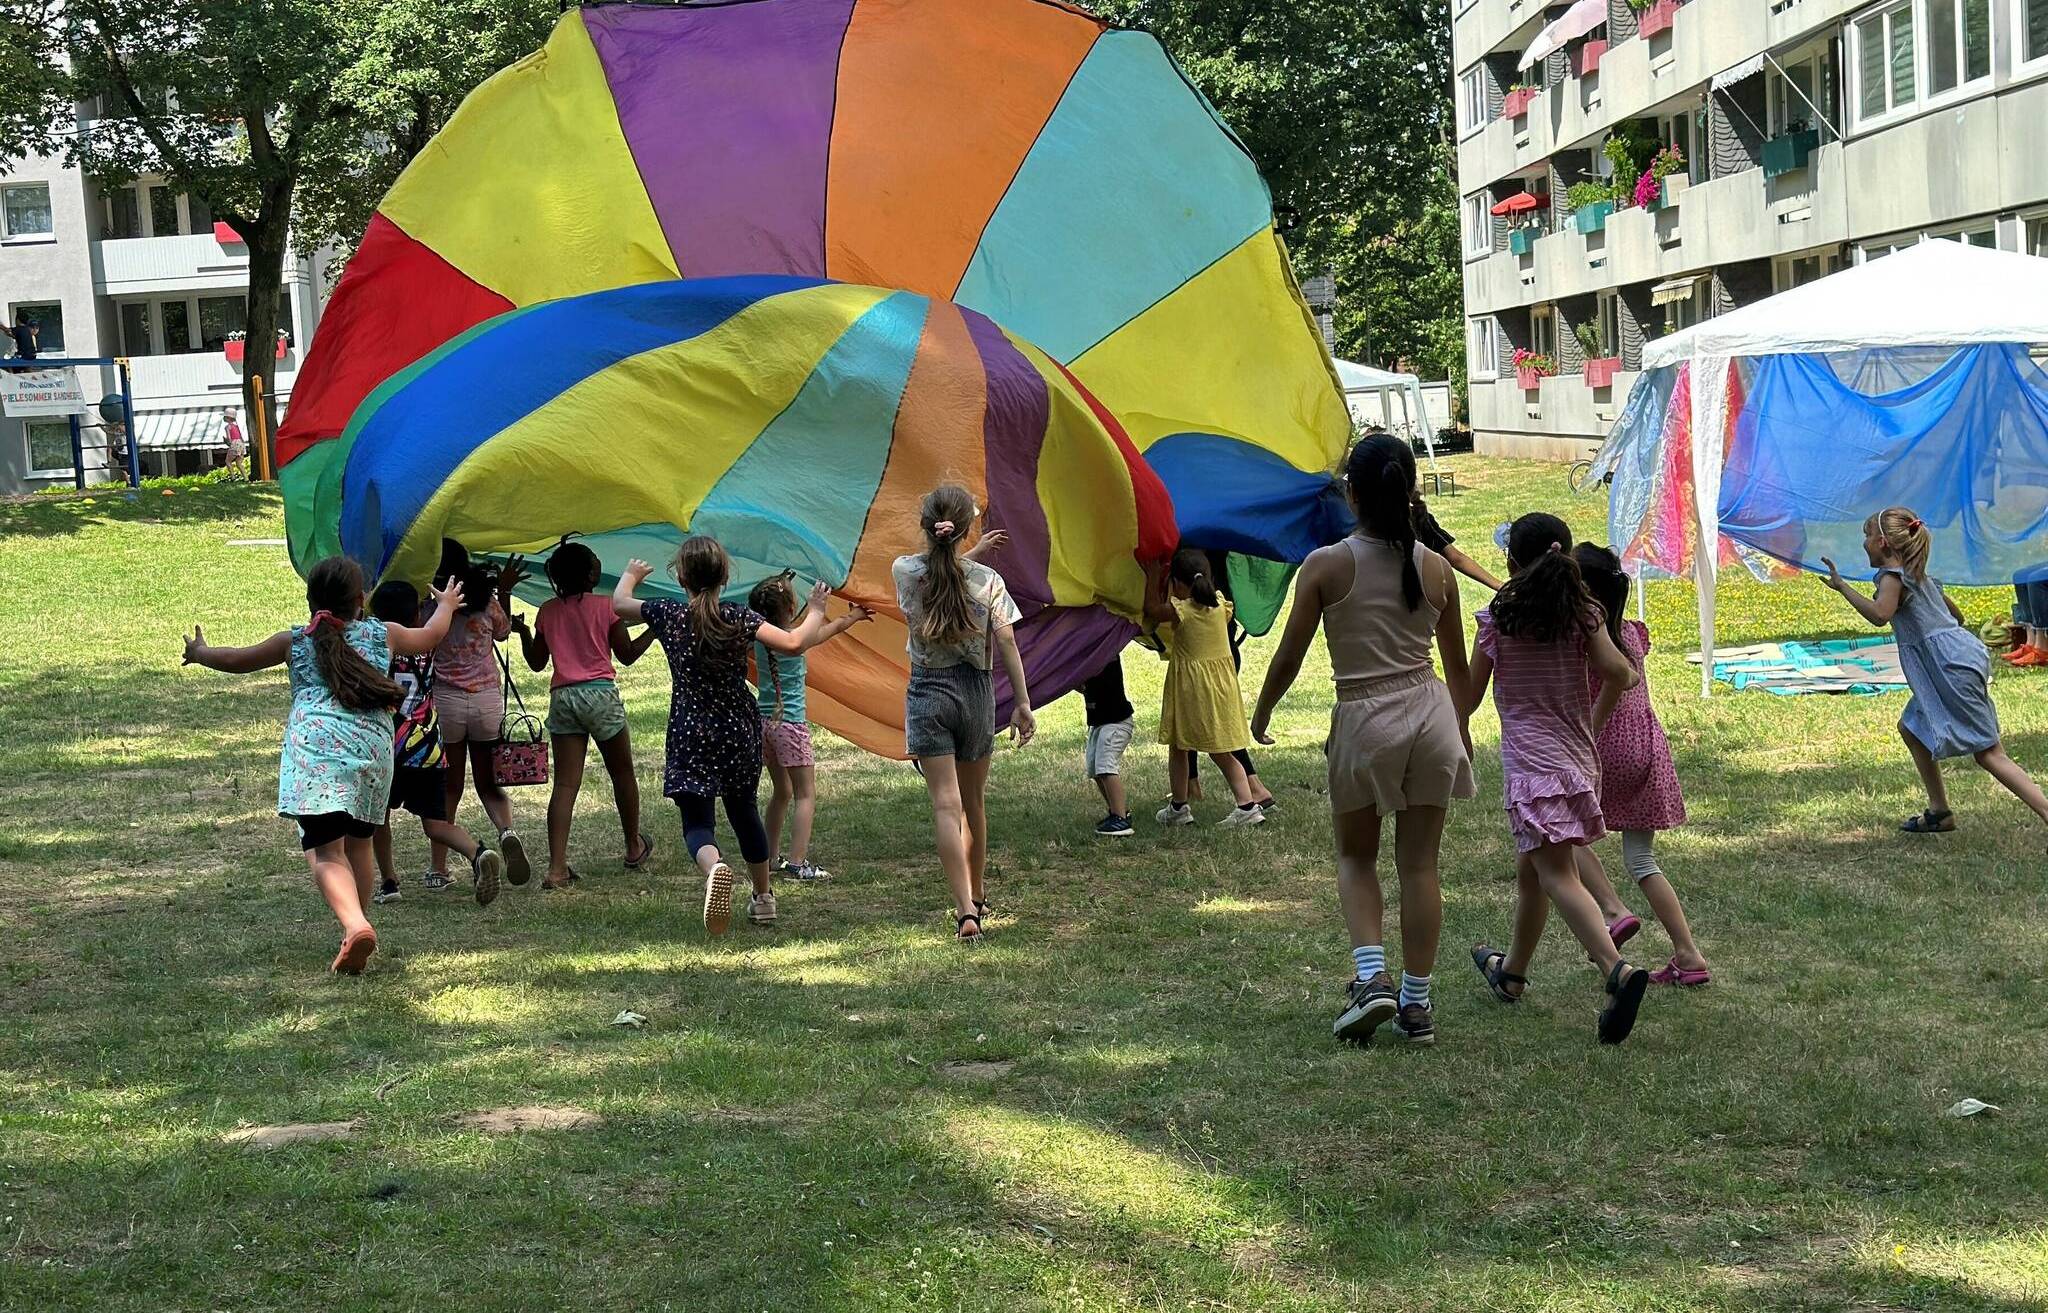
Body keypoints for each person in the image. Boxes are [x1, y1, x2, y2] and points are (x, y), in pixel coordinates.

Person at [1250, 433, 1474, 1045]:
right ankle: (1418, 1005)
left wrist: (1262, 711)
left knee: (1356, 857)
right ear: (1412, 491)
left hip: (1364, 720)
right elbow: (1456, 667)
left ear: (1351, 494)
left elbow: (1290, 656)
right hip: (1431, 717)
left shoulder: (1326, 564)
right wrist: (1462, 727)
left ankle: (1371, 980)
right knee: (1420, 864)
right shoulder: (1436, 567)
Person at [181, 558, 462, 973]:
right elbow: (432, 635)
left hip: (318, 754)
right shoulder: (383, 634)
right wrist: (447, 604)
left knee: (327, 852)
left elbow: (239, 660)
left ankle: (355, 924)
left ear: (311, 601)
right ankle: (356, 925)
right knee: (360, 843)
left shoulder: (295, 641)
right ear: (360, 601)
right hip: (373, 753)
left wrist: (201, 652)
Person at [1460, 513, 1652, 1045]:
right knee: (1534, 870)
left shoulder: (1497, 622)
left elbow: (1471, 696)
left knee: (1558, 874)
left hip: (1532, 768)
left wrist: (1453, 722)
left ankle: (1615, 970)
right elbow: (1621, 673)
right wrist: (1592, 719)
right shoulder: (1583, 615)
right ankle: (1512, 974)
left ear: (1510, 564)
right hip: (1576, 761)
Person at [615, 541, 869, 933]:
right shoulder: (739, 616)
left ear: (680, 577)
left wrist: (631, 576)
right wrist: (816, 609)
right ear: (726, 578)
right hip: (737, 728)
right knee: (744, 811)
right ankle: (764, 898)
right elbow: (794, 642)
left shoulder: (667, 613)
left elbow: (620, 604)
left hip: (690, 728)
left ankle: (714, 866)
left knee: (696, 822)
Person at [1824, 508, 2048, 832]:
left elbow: (1879, 614)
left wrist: (1843, 587)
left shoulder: (1893, 578)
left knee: (1989, 753)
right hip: (1952, 665)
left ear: (1883, 542)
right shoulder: (1919, 575)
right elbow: (1956, 619)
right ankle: (1940, 812)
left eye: (1866, 535)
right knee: (1912, 728)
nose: (1864, 543)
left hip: (1949, 670)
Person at [894, 485, 1036, 944]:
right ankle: (977, 894)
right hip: (975, 693)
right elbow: (1008, 642)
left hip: (927, 691)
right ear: (965, 529)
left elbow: (939, 570)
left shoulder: (904, 571)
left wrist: (962, 550)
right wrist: (1022, 702)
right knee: (973, 805)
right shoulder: (987, 582)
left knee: (945, 806)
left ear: (927, 527)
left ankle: (963, 913)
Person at [1569, 545, 1710, 987]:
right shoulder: (1632, 633)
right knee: (1641, 859)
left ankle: (1612, 912)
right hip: (1646, 748)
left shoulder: (1586, 639)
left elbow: (1601, 684)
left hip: (1606, 750)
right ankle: (1688, 955)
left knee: (1557, 835)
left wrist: (1583, 736)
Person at [509, 540, 657, 891]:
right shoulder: (607, 607)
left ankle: (556, 868)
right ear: (591, 574)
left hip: (563, 699)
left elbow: (536, 663)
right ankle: (633, 847)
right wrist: (655, 628)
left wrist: (525, 632)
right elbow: (628, 655)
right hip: (601, 697)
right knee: (622, 774)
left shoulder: (547, 611)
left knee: (565, 784)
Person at [367, 581, 504, 907]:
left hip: (387, 748)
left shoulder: (374, 646)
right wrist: (446, 602)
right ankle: (478, 852)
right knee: (437, 824)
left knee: (378, 818)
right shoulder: (430, 641)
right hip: (428, 748)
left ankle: (389, 882)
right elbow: (438, 623)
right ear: (417, 614)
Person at [429, 543, 530, 888]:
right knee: (489, 783)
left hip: (447, 703)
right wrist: (505, 590)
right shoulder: (485, 601)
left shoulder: (433, 603)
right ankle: (506, 831)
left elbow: (421, 638)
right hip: (486, 701)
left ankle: (439, 869)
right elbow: (503, 633)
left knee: (450, 787)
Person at [1148, 549, 1263, 828]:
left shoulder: (1182, 611)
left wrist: (1153, 575)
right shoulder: (1221, 606)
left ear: (1176, 583)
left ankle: (1241, 807)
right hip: (1221, 689)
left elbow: (1151, 611)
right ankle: (1185, 806)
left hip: (1193, 692)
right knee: (1208, 747)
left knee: (1193, 747)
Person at [747, 570, 832, 881]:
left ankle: (769, 858)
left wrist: (847, 622)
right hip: (790, 726)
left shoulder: (761, 638)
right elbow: (807, 634)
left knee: (780, 792)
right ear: (786, 609)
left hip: (764, 725)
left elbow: (813, 636)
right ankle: (797, 863)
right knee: (805, 794)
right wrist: (817, 606)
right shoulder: (792, 640)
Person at [1080, 653, 1137, 837]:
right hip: (1100, 723)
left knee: (1105, 766)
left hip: (1116, 721)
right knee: (1094, 768)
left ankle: (1120, 819)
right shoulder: (1082, 660)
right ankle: (1118, 811)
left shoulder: (1105, 652)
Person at [222, 408, 247, 474]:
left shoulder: (227, 427)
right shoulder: (236, 426)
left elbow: (229, 438)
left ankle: (233, 476)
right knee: (239, 463)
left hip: (234, 444)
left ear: (228, 418)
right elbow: (240, 437)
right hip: (241, 444)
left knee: (228, 461)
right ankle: (246, 477)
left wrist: (226, 441)